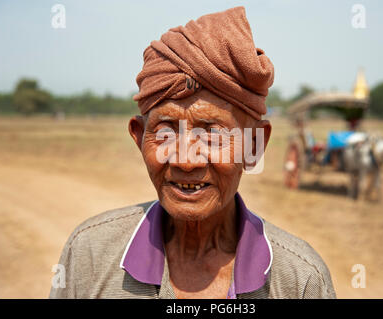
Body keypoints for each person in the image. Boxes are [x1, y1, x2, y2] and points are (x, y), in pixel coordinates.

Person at [49, 6, 336, 299]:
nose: (185, 160)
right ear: (139, 137)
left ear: (254, 145)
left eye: (212, 134)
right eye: (166, 132)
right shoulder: (89, 256)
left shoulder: (299, 282)